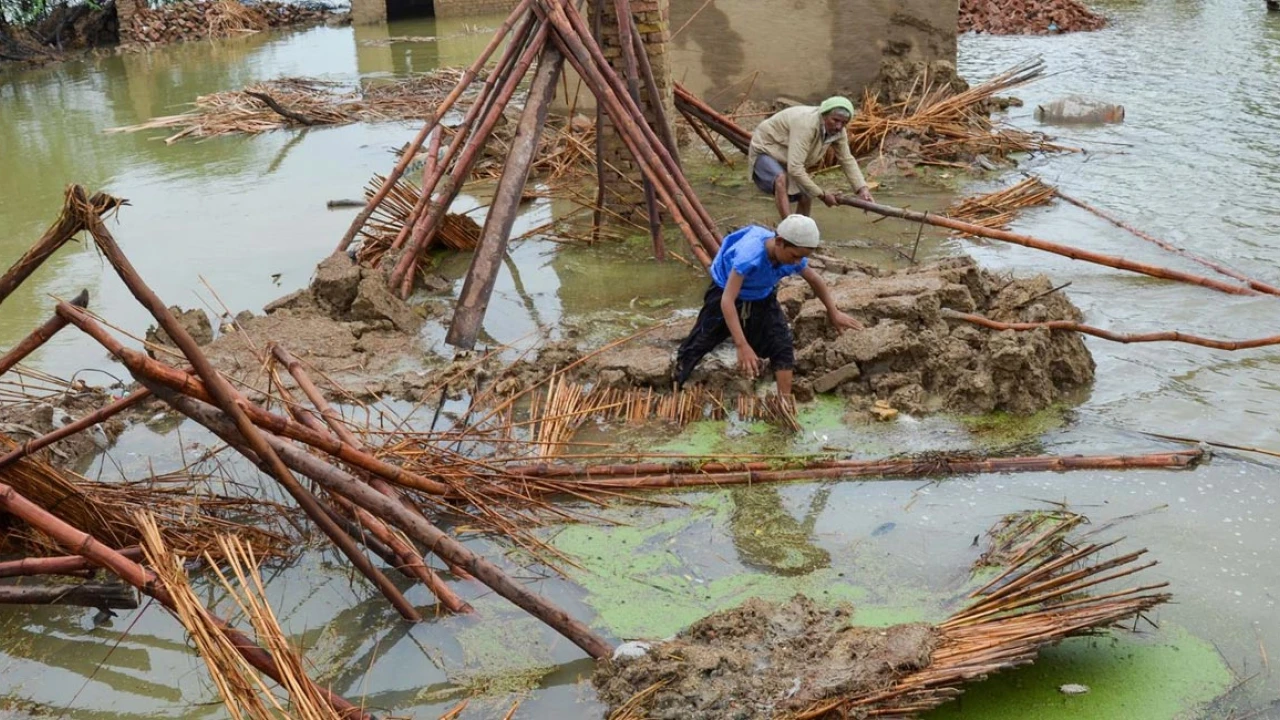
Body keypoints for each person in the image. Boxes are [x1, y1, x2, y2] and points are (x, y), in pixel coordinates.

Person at [674, 215, 863, 398]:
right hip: (725, 291)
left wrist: (833, 311)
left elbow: (815, 279)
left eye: (802, 258)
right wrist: (742, 345)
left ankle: (784, 402)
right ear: (779, 242)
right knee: (700, 342)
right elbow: (727, 300)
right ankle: (676, 382)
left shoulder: (792, 256)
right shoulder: (749, 257)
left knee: (781, 343)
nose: (798, 262)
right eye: (795, 256)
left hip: (762, 294)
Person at [747, 96, 875, 220]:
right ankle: (788, 228)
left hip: (788, 154)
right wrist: (822, 195)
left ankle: (802, 230)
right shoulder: (805, 125)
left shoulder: (839, 132)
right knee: (781, 179)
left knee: (806, 193)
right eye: (835, 120)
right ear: (824, 115)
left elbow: (847, 159)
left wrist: (862, 189)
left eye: (843, 123)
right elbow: (795, 168)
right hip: (767, 147)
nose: (838, 126)